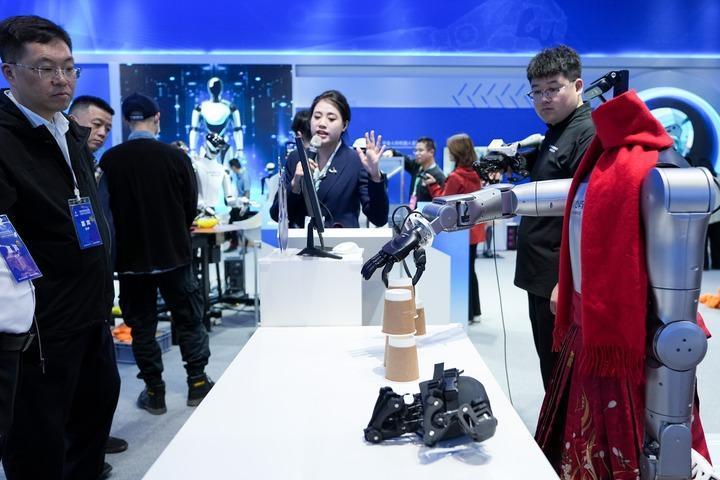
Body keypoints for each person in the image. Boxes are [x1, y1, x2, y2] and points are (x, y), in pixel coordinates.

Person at [0, 15, 118, 480]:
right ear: (10, 72)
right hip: (40, 328)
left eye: (69, 68)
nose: (61, 79)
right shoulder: (5, 138)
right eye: (45, 68)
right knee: (37, 445)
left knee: (92, 423)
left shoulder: (69, 129)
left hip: (91, 313)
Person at [98, 92, 213, 415]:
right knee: (189, 320)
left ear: (125, 120)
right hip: (175, 255)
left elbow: (104, 213)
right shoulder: (176, 158)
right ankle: (197, 384)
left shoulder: (110, 161)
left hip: (131, 262)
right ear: (157, 118)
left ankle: (154, 392)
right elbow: (191, 205)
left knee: (142, 328)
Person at [513, 45, 595, 390]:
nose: (544, 99)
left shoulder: (587, 134)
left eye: (553, 88)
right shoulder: (557, 130)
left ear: (577, 85)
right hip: (541, 273)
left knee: (566, 379)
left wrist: (568, 282)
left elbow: (590, 218)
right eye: (536, 91)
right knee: (551, 372)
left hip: (559, 279)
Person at [68, 95, 130, 456]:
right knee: (79, 381)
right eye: (96, 124)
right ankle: (79, 452)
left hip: (99, 285)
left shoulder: (94, 167)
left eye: (107, 126)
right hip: (71, 293)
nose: (103, 132)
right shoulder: (64, 162)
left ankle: (90, 445)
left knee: (102, 380)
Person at [270, 89, 389, 228]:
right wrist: (295, 185)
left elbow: (379, 219)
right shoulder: (296, 157)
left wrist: (375, 176)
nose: (322, 123)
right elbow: (276, 215)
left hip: (341, 240)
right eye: (317, 117)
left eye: (331, 119)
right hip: (301, 240)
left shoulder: (355, 161)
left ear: (344, 125)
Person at [425, 133, 484, 322]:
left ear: (457, 152)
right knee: (470, 269)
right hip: (474, 229)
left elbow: (444, 202)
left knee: (462, 271)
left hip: (461, 232)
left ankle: (467, 312)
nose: (449, 153)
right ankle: (474, 311)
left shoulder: (456, 177)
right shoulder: (475, 174)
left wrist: (432, 186)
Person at [403, 137, 446, 209]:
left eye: (420, 150)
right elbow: (404, 160)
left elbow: (443, 202)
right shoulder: (416, 166)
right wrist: (392, 152)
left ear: (431, 152)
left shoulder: (439, 176)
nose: (417, 153)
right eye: (415, 150)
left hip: (427, 214)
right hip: (413, 211)